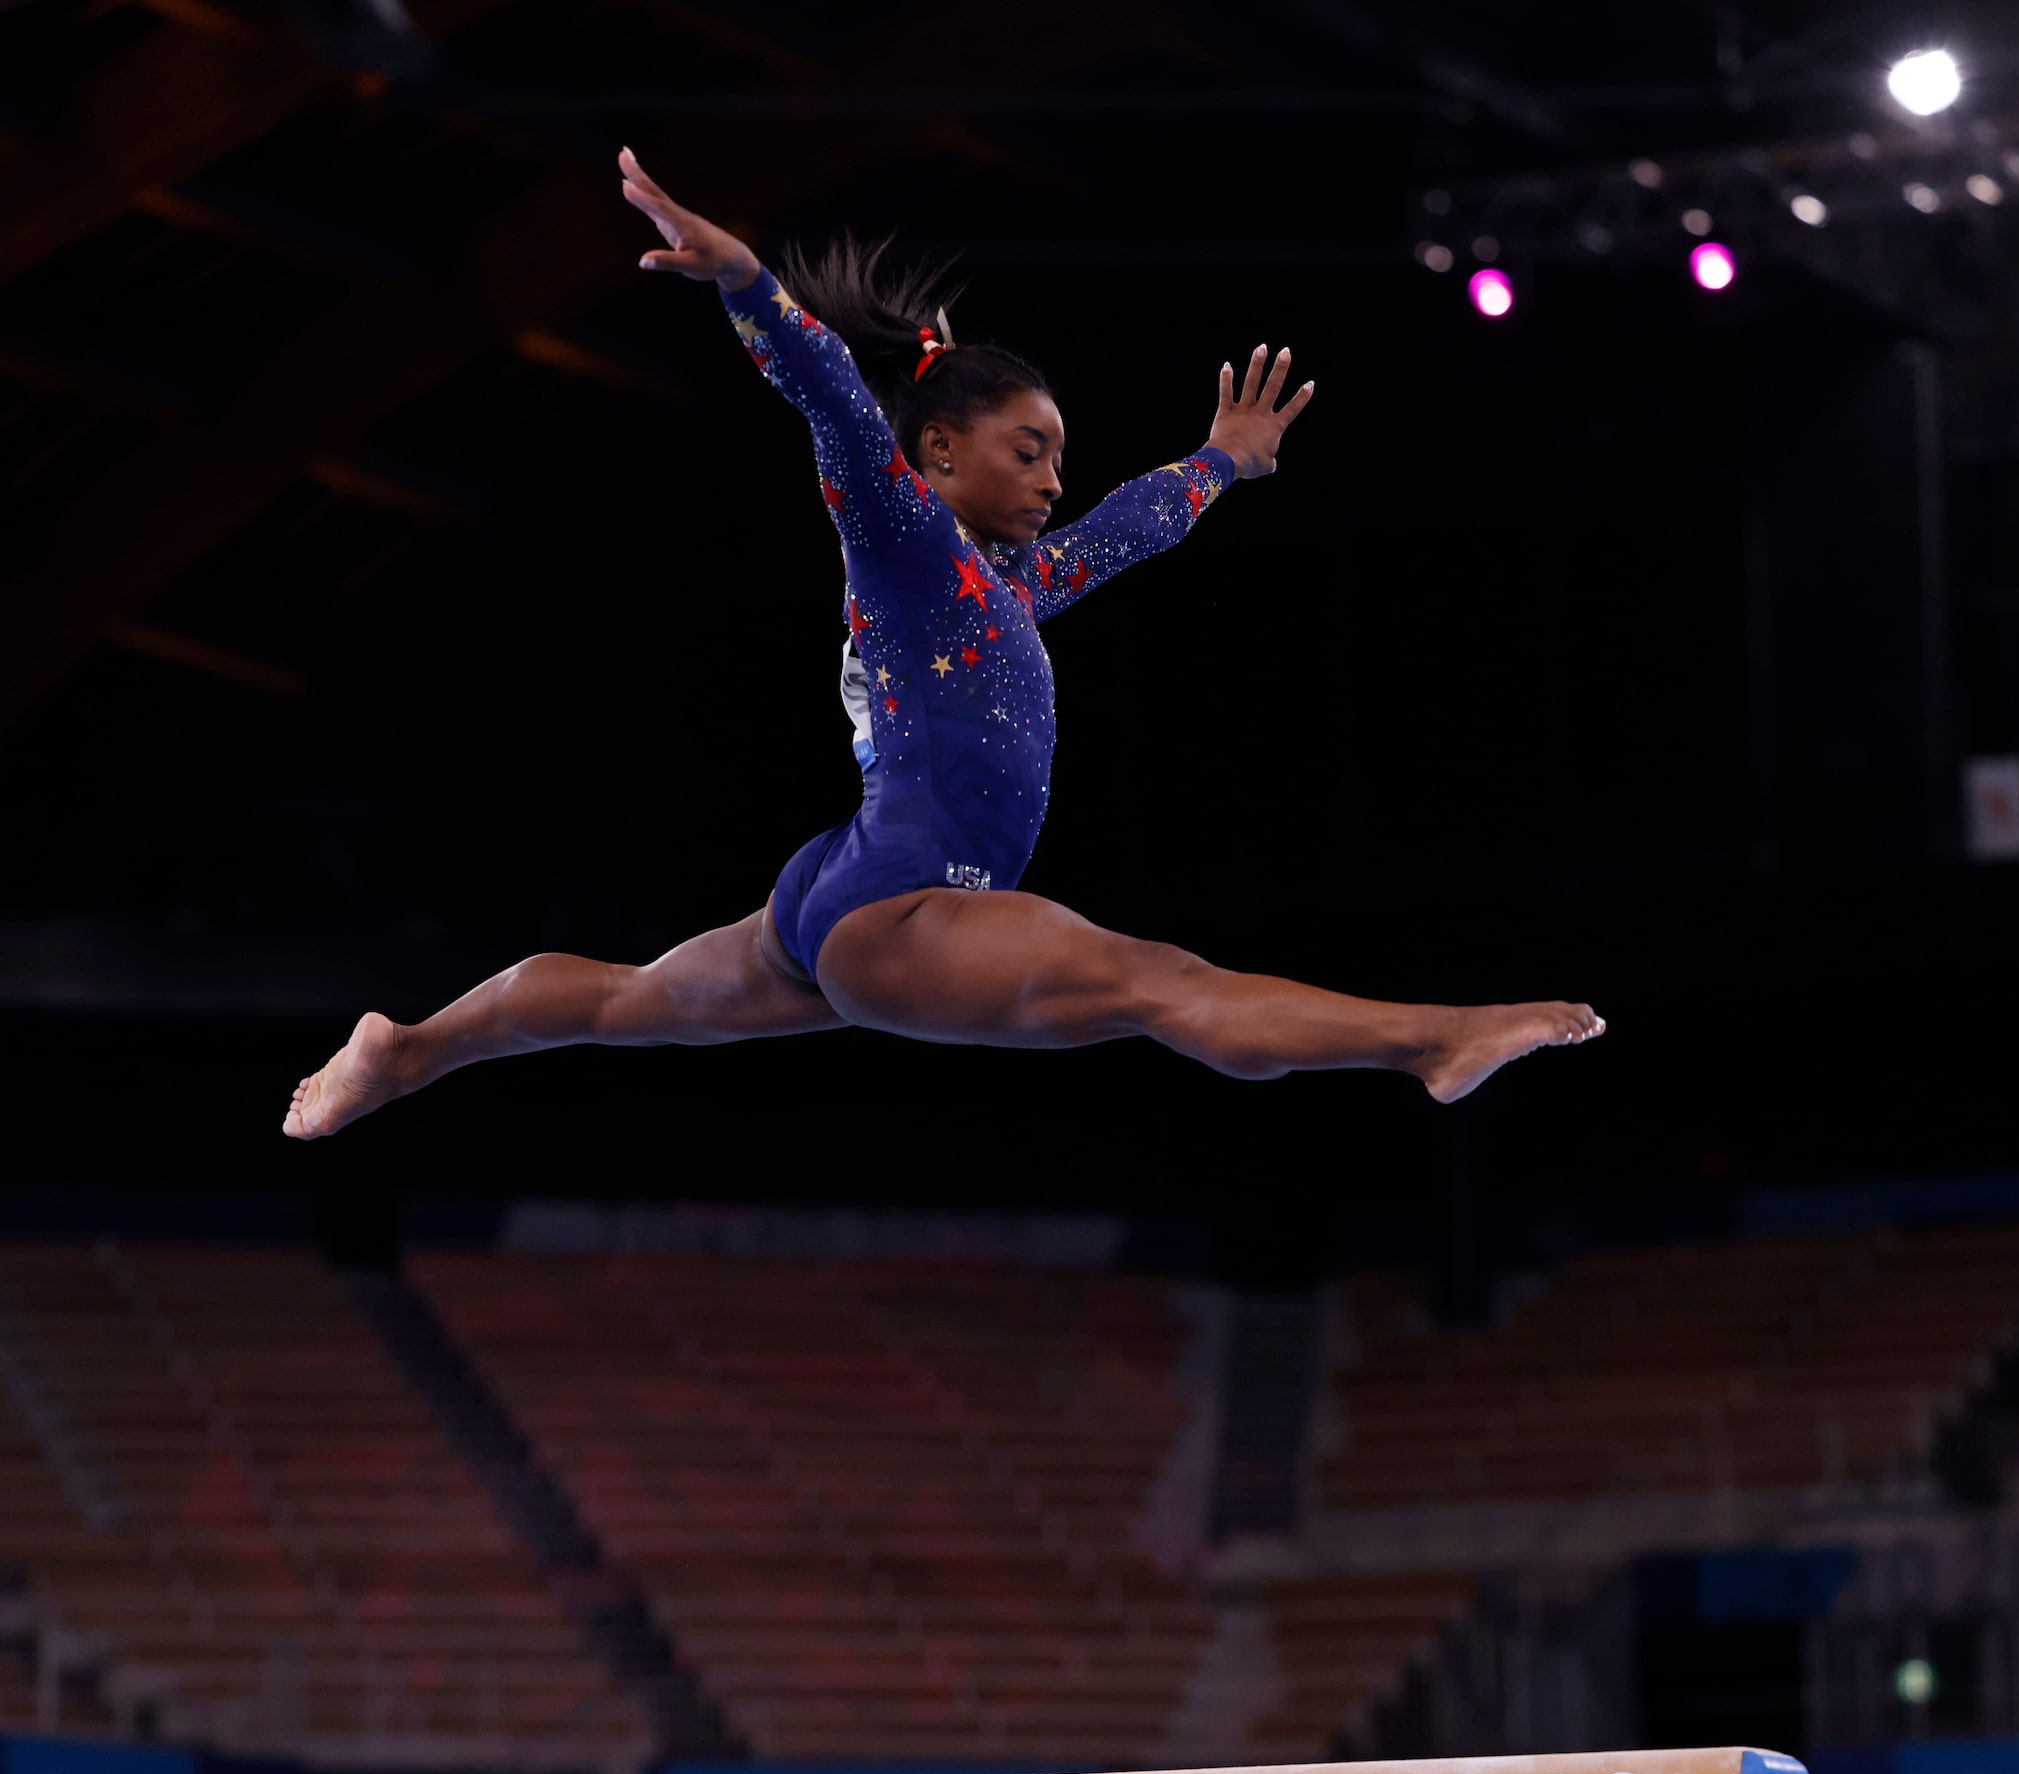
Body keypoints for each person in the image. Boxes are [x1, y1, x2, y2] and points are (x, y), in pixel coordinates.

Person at [281, 148, 1602, 1141]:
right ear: (939, 453)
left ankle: (407, 1050)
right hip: (899, 896)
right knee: (1158, 982)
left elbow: (1128, 530)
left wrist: (1220, 462)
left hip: (848, 891)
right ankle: (1432, 1036)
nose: (1047, 481)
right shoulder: (904, 538)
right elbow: (832, 401)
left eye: (1058, 459)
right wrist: (748, 283)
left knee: (627, 1003)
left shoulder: (1010, 589)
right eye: (1028, 451)